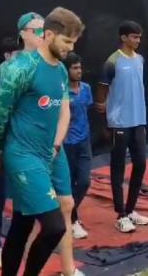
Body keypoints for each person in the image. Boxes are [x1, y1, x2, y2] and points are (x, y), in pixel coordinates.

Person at [0, 7, 85, 276]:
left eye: (74, 43)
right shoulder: (21, 69)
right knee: (55, 226)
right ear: (48, 34)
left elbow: (62, 112)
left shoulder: (61, 71)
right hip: (23, 154)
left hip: (50, 153)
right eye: (66, 41)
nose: (70, 48)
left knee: (22, 223)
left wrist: (56, 145)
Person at [0, 13, 44, 270]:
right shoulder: (2, 77)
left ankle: (23, 247)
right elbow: (0, 114)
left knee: (27, 201)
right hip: (8, 143)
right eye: (36, 31)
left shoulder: (43, 68)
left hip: (31, 146)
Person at [95, 20, 148, 233]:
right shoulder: (113, 61)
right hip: (119, 122)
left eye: (139, 36)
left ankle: (131, 209)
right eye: (134, 36)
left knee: (141, 164)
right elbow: (102, 88)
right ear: (124, 37)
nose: (138, 40)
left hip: (138, 121)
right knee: (118, 168)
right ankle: (121, 214)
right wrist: (104, 114)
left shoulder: (141, 59)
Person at [63, 52, 93, 239]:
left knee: (83, 181)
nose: (78, 71)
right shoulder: (61, 92)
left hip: (84, 141)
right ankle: (72, 220)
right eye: (74, 68)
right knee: (68, 182)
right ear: (66, 70)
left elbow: (86, 110)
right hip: (66, 144)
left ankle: (68, 214)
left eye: (79, 67)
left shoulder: (86, 89)